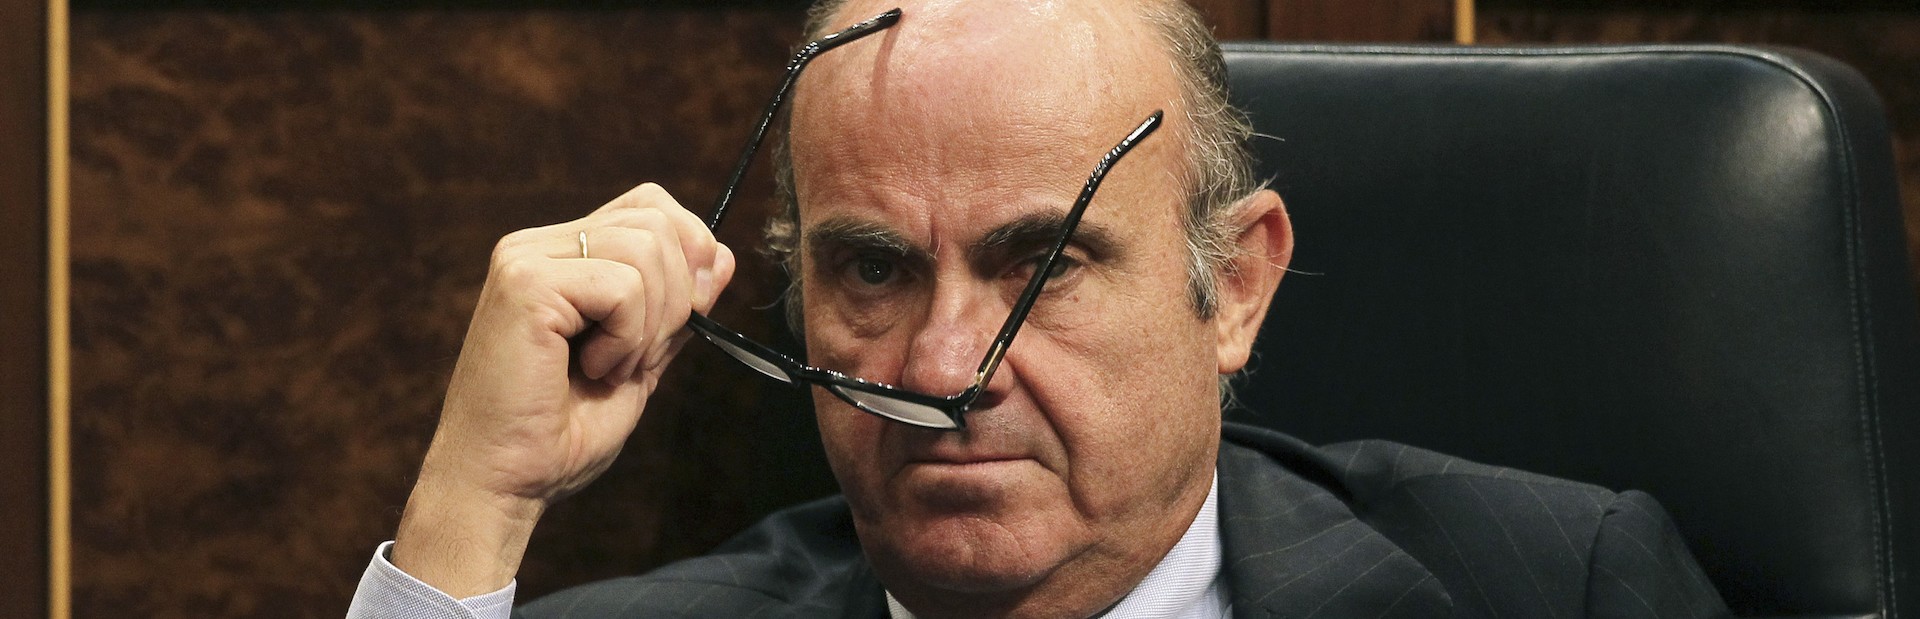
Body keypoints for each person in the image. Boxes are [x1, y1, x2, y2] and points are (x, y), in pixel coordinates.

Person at [348, 0, 1732, 617]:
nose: (947, 367)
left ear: (1235, 287)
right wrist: (477, 502)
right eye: (873, 270)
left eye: (1044, 263)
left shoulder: (1558, 588)